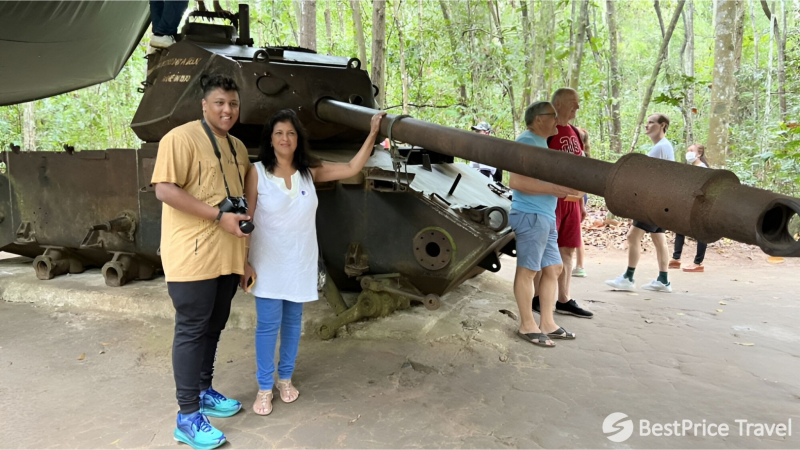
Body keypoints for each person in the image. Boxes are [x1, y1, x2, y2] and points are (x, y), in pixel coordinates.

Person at [244, 109, 386, 415]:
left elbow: (351, 167)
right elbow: (247, 219)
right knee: (268, 326)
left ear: (298, 139)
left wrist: (373, 132)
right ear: (270, 138)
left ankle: (285, 379)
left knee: (293, 324)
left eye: (291, 133)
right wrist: (244, 263)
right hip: (267, 263)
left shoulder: (309, 171)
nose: (285, 138)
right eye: (279, 133)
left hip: (300, 262)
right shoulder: (256, 173)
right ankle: (265, 388)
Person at [152, 74, 251, 450]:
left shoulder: (238, 148)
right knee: (192, 328)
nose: (227, 110)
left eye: (233, 104)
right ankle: (187, 416)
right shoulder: (179, 138)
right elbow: (164, 189)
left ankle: (205, 389)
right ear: (204, 105)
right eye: (220, 103)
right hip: (191, 254)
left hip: (226, 255)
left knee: (214, 325)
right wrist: (216, 216)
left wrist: (245, 258)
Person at [509, 101, 583, 347]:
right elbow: (516, 181)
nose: (557, 119)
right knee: (528, 271)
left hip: (546, 216)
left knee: (553, 269)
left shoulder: (542, 143)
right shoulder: (527, 141)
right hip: (530, 215)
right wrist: (555, 189)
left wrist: (564, 191)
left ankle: (548, 323)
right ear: (538, 119)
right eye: (552, 116)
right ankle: (527, 324)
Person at [531, 88, 593, 319]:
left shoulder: (575, 132)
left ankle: (564, 299)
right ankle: (537, 297)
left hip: (572, 202)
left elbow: (580, 168)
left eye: (578, 103)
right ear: (557, 103)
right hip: (550, 200)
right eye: (573, 103)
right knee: (543, 248)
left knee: (567, 249)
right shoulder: (546, 131)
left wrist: (582, 203)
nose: (577, 107)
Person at [605, 113, 675, 293]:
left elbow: (647, 176)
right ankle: (664, 280)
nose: (647, 125)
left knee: (633, 236)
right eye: (647, 122)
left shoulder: (660, 148)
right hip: (661, 200)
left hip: (653, 201)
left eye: (651, 122)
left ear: (662, 125)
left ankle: (628, 278)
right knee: (659, 238)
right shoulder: (663, 147)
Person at [670, 143, 710, 272]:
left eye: (691, 150)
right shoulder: (691, 168)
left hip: (699, 206)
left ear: (699, 154)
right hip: (688, 205)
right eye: (688, 150)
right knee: (679, 229)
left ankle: (698, 263)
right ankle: (676, 259)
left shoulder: (703, 169)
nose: (689, 153)